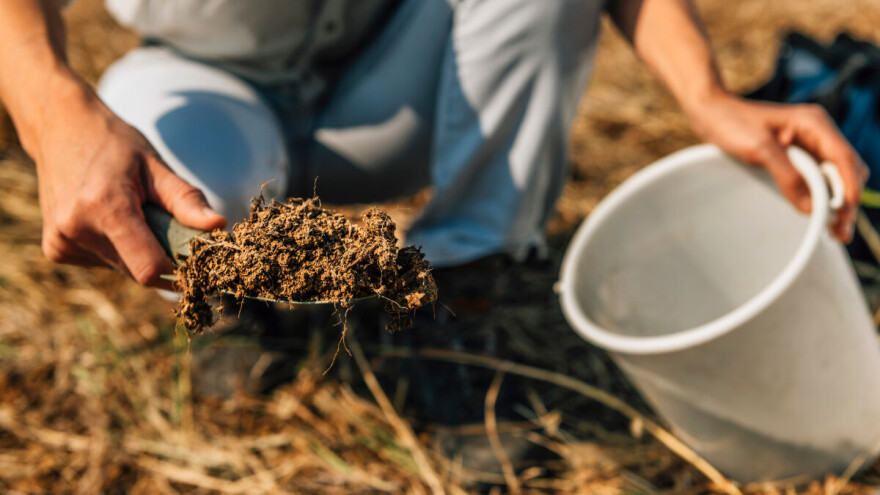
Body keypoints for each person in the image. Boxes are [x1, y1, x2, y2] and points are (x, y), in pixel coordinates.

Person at [0, 0, 869, 473]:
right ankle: (236, 305)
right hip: (206, 85)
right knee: (179, 189)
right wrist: (53, 112)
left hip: (393, 90)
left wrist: (709, 98)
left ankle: (462, 292)